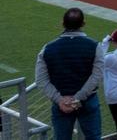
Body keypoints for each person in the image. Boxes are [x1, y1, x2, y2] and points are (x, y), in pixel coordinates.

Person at [36, 8, 104, 140]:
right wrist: (77, 99)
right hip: (87, 100)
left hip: (62, 104)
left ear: (63, 23)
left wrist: (60, 100)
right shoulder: (95, 46)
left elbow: (41, 80)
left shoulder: (47, 48)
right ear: (83, 24)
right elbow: (97, 76)